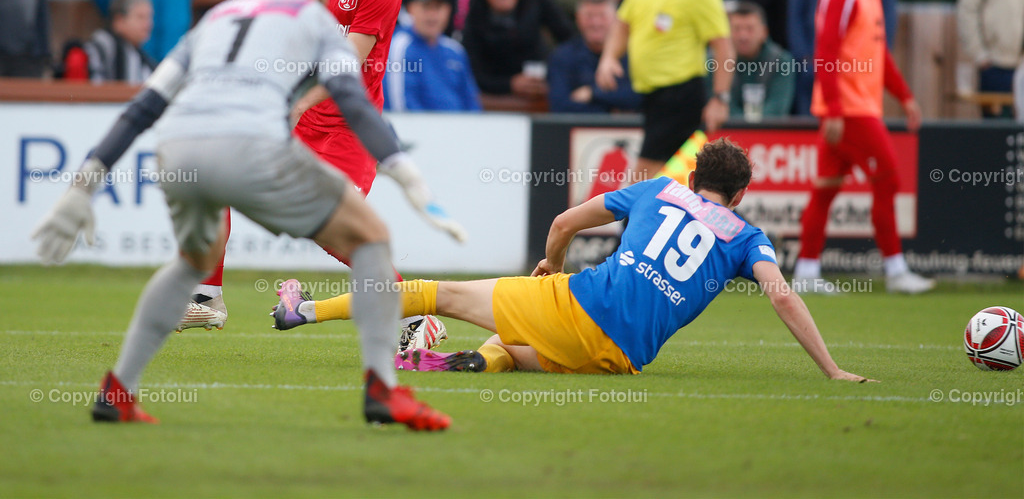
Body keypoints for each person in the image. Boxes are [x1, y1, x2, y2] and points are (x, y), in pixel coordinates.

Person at [31, 0, 463, 430]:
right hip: (249, 147)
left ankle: (119, 390)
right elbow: (349, 94)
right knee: (370, 236)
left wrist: (84, 183)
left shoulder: (220, 16)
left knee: (189, 263)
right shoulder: (315, 19)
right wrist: (403, 169)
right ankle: (383, 391)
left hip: (178, 149)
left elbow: (145, 105)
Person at [273, 138, 874, 384]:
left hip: (580, 306)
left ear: (693, 178)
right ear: (739, 195)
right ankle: (472, 362)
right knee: (516, 344)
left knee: (437, 293)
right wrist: (832, 370)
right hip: (620, 359)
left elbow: (562, 224)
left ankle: (304, 312)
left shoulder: (660, 188)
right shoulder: (747, 237)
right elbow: (783, 296)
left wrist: (553, 269)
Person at [180, 0, 448, 354]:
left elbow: (344, 66)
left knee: (336, 232)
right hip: (300, 123)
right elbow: (252, 10)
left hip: (348, 131)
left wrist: (296, 101)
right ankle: (206, 295)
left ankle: (417, 315)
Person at [794, 0, 934, 295]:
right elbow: (825, 52)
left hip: (853, 109)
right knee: (888, 180)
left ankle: (806, 271)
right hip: (850, 112)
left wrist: (905, 96)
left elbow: (879, 55)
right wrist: (834, 109)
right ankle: (896, 270)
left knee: (825, 190)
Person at [596, 0, 734, 181]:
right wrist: (608, 58)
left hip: (680, 96)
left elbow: (724, 49)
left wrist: (720, 98)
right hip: (651, 96)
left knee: (643, 178)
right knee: (683, 181)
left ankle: (634, 213)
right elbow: (623, 25)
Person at [461, 0, 573, 99]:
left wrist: (555, 76)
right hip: (493, 94)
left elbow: (567, 36)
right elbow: (471, 70)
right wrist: (509, 84)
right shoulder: (474, 11)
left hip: (539, 85)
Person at [383, 0, 481, 112]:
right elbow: (400, 105)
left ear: (448, 11)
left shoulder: (455, 50)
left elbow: (471, 101)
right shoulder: (399, 47)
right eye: (426, 8)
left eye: (438, 8)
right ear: (411, 9)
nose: (432, 15)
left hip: (459, 124)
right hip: (416, 124)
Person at [548, 0, 641, 113]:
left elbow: (640, 97)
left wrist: (593, 93)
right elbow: (560, 106)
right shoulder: (562, 56)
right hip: (579, 125)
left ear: (617, 19)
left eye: (603, 16)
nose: (596, 23)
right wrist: (612, 112)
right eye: (589, 16)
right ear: (577, 18)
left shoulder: (634, 53)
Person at [62, 0, 156, 82]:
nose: (148, 24)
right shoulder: (100, 48)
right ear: (119, 20)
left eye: (149, 17)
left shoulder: (142, 57)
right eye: (140, 17)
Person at [724, 1, 794, 119]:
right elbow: (721, 107)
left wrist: (752, 125)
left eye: (750, 29)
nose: (743, 36)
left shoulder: (782, 61)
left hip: (769, 129)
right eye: (737, 29)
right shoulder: (715, 61)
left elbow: (778, 108)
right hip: (728, 130)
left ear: (764, 32)